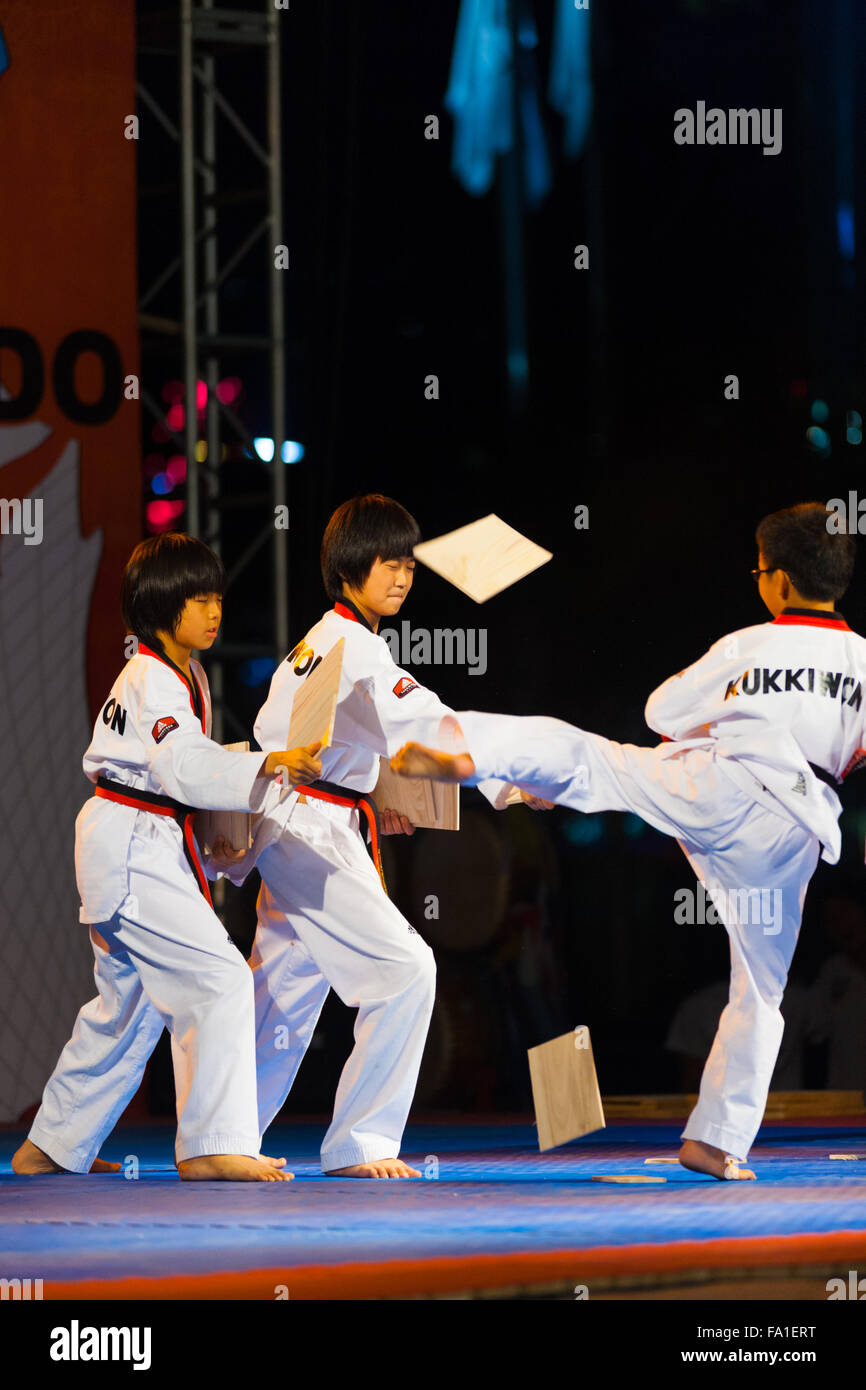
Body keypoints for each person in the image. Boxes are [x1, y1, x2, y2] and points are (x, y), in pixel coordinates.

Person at [389, 502, 865, 1180]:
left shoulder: (746, 645)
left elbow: (661, 713)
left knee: (594, 760)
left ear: (779, 582)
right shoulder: (861, 662)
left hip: (718, 780)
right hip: (793, 827)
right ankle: (718, 1141)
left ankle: (470, 749)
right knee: (760, 987)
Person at [12, 534, 322, 1181]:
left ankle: (50, 1147)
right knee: (219, 979)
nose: (214, 611)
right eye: (198, 600)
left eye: (217, 598)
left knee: (126, 1007)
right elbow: (182, 765)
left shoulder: (182, 673)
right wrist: (266, 765)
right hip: (131, 848)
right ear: (161, 606)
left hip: (135, 841)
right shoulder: (152, 678)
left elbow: (181, 772)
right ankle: (211, 1143)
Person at [246, 494, 534, 1177]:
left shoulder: (318, 643)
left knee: (280, 996)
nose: (403, 576)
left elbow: (328, 736)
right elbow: (427, 724)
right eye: (388, 563)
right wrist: (506, 777)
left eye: (410, 563)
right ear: (350, 567)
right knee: (405, 970)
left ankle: (222, 1136)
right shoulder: (357, 649)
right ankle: (360, 1144)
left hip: (294, 819)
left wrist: (375, 790)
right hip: (310, 827)